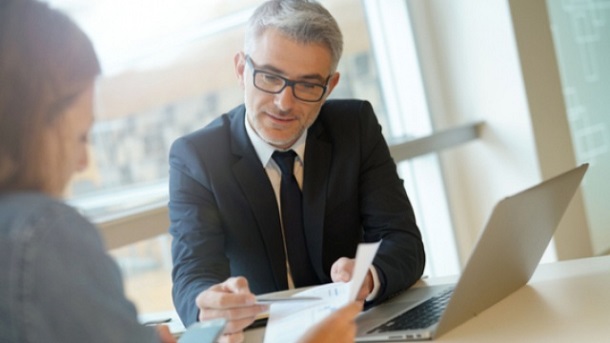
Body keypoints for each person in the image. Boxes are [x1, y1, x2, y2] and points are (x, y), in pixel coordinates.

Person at [0, 1, 361, 343]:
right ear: (33, 125)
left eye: (307, 85)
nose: (81, 162)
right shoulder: (44, 233)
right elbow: (192, 271)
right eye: (80, 137)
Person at [169, 0, 426, 340]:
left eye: (307, 85)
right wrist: (207, 306)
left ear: (330, 87)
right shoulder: (197, 157)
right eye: (269, 77)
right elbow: (193, 272)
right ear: (241, 70)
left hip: (354, 330)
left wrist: (369, 276)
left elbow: (402, 241)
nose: (284, 103)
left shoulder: (355, 128)